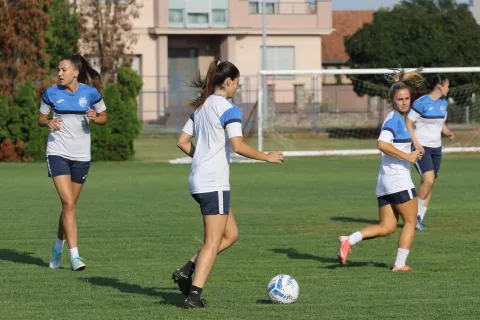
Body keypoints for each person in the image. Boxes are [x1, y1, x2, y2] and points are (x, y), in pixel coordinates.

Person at [173, 60, 283, 308]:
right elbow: (238, 146)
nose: (237, 87)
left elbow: (182, 141)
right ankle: (194, 296)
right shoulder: (228, 108)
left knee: (231, 235)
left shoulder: (201, 108)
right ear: (228, 82)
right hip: (214, 183)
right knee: (212, 241)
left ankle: (186, 269)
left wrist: (201, 156)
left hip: (197, 180)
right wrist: (267, 156)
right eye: (237, 83)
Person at [337, 68, 424, 271]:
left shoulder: (401, 120)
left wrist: (414, 151)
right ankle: (400, 265)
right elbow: (382, 144)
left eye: (407, 98)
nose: (404, 102)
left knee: (387, 227)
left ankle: (348, 240)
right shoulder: (393, 119)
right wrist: (408, 156)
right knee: (411, 222)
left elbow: (396, 146)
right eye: (400, 99)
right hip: (398, 180)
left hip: (385, 182)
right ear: (392, 100)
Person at [38, 54, 107, 271]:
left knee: (69, 206)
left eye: (63, 69)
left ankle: (58, 247)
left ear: (75, 72)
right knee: (68, 203)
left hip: (81, 156)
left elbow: (104, 117)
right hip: (57, 152)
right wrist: (48, 122)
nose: (59, 73)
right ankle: (75, 256)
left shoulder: (90, 93)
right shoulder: (51, 93)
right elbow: (41, 118)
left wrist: (94, 117)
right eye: (58, 69)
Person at [406, 74, 454, 231]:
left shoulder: (443, 104)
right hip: (421, 148)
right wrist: (416, 143)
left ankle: (419, 217)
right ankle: (414, 216)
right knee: (428, 180)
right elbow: (408, 122)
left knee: (430, 183)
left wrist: (448, 133)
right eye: (447, 86)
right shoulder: (421, 103)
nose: (449, 88)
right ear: (440, 87)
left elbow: (441, 124)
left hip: (436, 149)